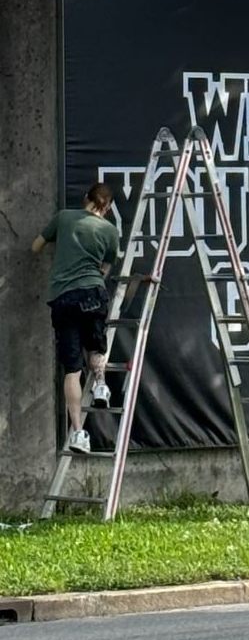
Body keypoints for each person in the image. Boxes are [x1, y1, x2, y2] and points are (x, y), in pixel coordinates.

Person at [32, 183, 119, 454]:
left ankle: (79, 433)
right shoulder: (109, 230)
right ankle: (101, 385)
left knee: (72, 369)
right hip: (93, 291)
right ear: (106, 208)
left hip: (63, 297)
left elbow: (36, 247)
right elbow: (106, 266)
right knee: (96, 344)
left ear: (86, 199)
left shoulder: (64, 217)